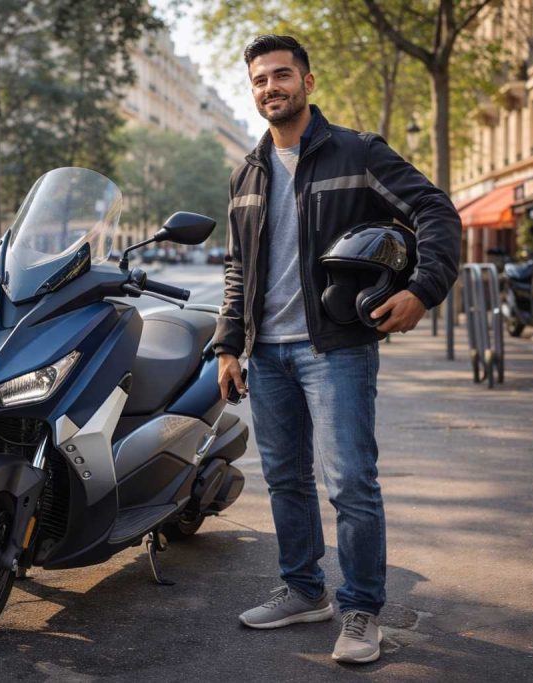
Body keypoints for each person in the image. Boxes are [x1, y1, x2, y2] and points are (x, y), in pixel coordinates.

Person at [210, 35, 461, 664]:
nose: (272, 87)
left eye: (282, 75)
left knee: (350, 481)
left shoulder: (357, 152)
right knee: (286, 480)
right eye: (261, 80)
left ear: (308, 82)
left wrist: (425, 290)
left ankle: (360, 609)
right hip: (267, 355)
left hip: (337, 349)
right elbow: (238, 267)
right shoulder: (246, 171)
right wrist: (227, 345)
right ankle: (302, 590)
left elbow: (435, 208)